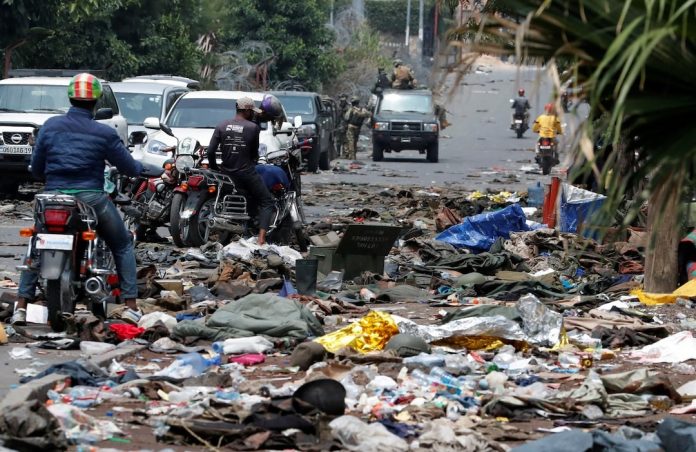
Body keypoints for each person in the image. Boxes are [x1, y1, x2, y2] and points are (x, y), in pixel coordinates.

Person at [12, 73, 144, 326]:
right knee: (123, 243)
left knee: (36, 246)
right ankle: (131, 306)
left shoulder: (50, 126)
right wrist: (144, 169)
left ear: (70, 97)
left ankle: (20, 306)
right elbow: (128, 166)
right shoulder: (104, 133)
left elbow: (37, 168)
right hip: (90, 199)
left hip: (52, 199)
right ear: (96, 100)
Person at [207, 97, 274, 245]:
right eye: (252, 111)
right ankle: (261, 239)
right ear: (247, 110)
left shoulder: (222, 125)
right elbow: (254, 154)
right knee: (267, 201)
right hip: (246, 173)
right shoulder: (253, 128)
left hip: (226, 174)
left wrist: (214, 169)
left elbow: (210, 151)